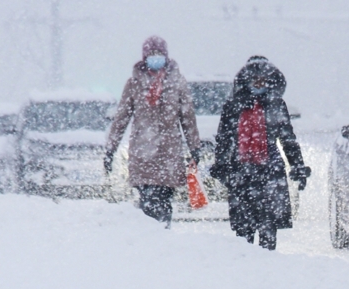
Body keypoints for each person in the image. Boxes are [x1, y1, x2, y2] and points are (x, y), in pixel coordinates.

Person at [210, 56, 310, 250]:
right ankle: (245, 268)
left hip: (269, 171)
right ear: (246, 81)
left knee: (268, 227)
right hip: (241, 171)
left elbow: (288, 139)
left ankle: (266, 269)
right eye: (254, 80)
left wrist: (297, 165)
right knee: (243, 231)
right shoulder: (233, 106)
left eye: (262, 80)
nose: (258, 84)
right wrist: (221, 165)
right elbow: (224, 139)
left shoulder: (277, 105)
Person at [105, 35, 201, 226]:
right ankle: (149, 237)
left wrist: (194, 148)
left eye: (159, 55)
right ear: (144, 58)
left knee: (163, 198)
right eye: (151, 55)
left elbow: (188, 119)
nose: (155, 59)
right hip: (143, 152)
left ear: (166, 56)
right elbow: (121, 119)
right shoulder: (133, 84)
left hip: (169, 153)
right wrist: (110, 148)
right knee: (147, 199)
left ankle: (162, 234)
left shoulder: (177, 83)